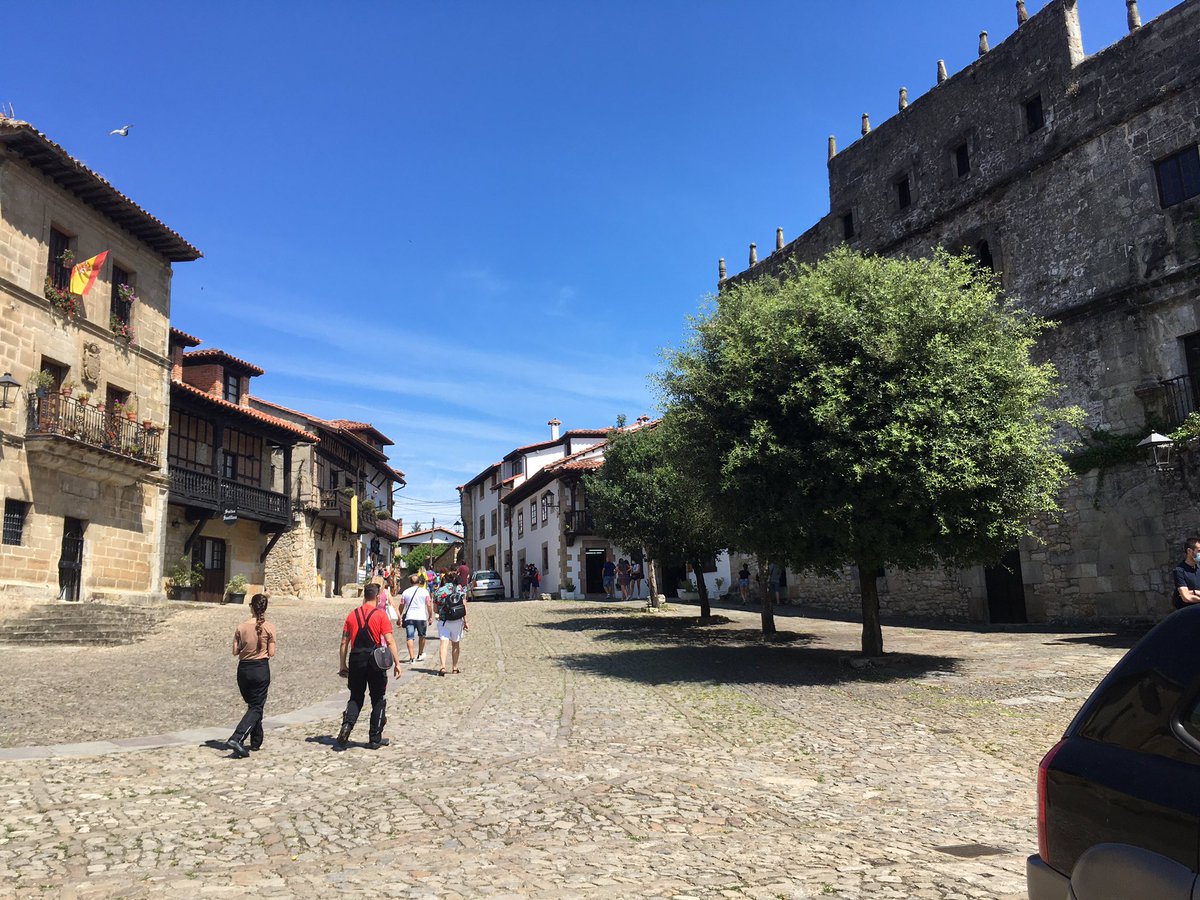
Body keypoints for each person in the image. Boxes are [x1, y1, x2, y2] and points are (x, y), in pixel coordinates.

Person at [337, 583, 402, 750]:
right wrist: (397, 663)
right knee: (378, 698)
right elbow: (389, 640)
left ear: (364, 596)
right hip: (375, 661)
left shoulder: (352, 615)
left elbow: (344, 642)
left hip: (356, 658)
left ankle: (347, 726)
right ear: (377, 596)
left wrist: (343, 664)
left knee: (356, 696)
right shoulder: (380, 616)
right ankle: (375, 738)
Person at [224, 594, 276, 758]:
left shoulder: (241, 627)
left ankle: (256, 741)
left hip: (243, 671)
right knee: (256, 706)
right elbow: (272, 653)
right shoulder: (269, 627)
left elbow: (234, 651)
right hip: (260, 669)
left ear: (251, 607)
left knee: (253, 705)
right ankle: (237, 738)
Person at [399, 574, 434, 663]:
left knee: (410, 637)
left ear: (410, 582)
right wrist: (430, 616)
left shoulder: (405, 592)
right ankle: (420, 654)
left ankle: (411, 658)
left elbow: (402, 605)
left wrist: (399, 616)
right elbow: (429, 605)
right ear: (419, 582)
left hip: (409, 617)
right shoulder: (425, 592)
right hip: (421, 617)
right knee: (422, 636)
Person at [436, 582, 469, 675]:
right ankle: (455, 667)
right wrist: (466, 622)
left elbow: (435, 609)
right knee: (455, 644)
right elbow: (464, 606)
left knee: (443, 643)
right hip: (457, 621)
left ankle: (442, 667)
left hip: (444, 621)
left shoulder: (439, 591)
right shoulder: (459, 589)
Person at [1173, 537, 1200, 610]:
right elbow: (1186, 597)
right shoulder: (1179, 571)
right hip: (1188, 612)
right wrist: (1196, 592)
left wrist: (1193, 592)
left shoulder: (1199, 567)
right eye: (1199, 551)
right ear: (1189, 551)